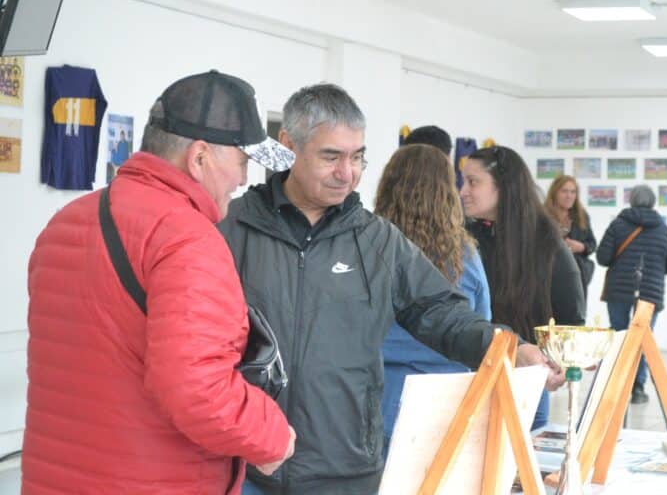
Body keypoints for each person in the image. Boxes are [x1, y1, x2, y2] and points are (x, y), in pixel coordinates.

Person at [217, 83, 562, 495]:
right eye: (331, 157)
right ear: (289, 145)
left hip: (346, 473)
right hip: (245, 469)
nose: (347, 173)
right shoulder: (230, 231)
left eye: (357, 157)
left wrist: (510, 347)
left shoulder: (378, 241)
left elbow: (442, 314)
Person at [23, 70, 296, 494]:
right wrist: (271, 435)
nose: (243, 179)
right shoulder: (187, 238)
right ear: (200, 157)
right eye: (242, 161)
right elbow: (196, 391)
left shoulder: (66, 222)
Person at [374, 144, 492, 459]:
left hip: (378, 401)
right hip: (448, 402)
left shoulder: (368, 248)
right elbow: (479, 326)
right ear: (447, 192)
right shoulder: (464, 255)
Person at [460, 146, 585, 430]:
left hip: (525, 381)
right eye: (463, 181)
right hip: (473, 376)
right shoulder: (462, 238)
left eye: (473, 182)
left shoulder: (544, 242)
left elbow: (571, 317)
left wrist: (558, 364)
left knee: (520, 470)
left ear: (502, 187)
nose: (462, 191)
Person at [596, 185, 667, 404]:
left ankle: (617, 384)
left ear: (631, 200)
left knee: (620, 337)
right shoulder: (663, 229)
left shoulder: (618, 224)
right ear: (652, 202)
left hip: (618, 291)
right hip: (650, 292)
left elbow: (603, 257)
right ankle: (638, 388)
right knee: (642, 340)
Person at [545, 175, 597, 301]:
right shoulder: (542, 214)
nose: (569, 196)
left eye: (573, 192)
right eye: (564, 191)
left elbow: (592, 244)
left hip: (576, 275)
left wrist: (581, 247)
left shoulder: (581, 215)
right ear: (555, 192)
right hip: (549, 274)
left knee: (575, 315)